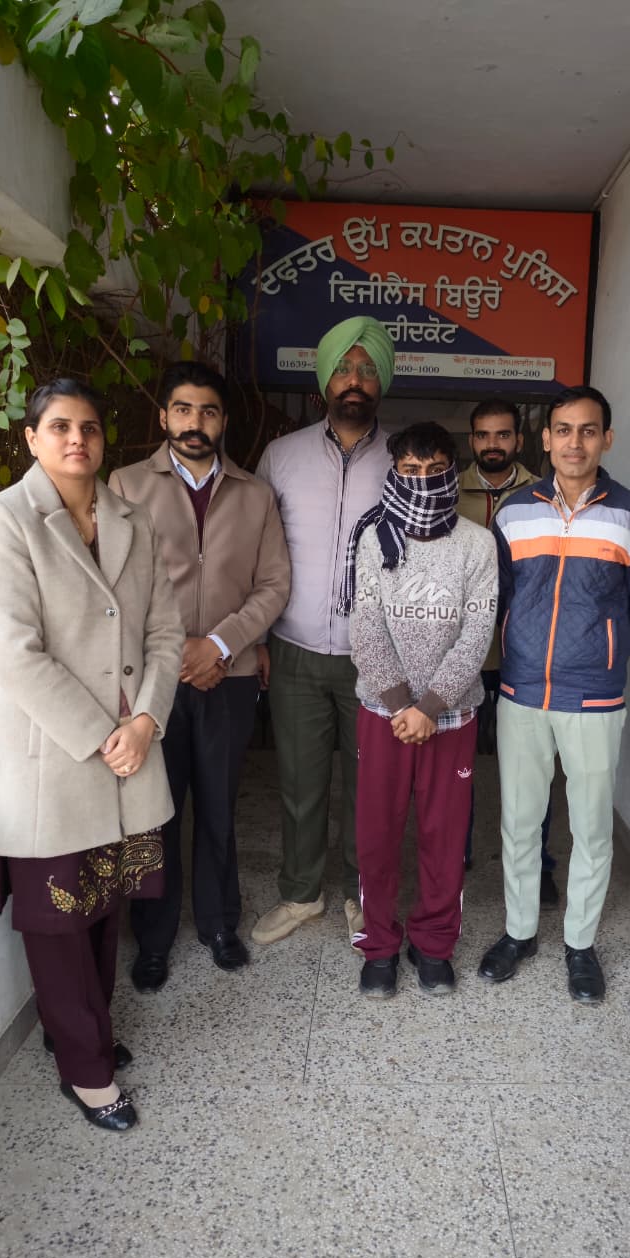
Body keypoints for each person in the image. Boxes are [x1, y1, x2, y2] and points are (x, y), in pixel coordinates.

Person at [0, 379, 184, 1131]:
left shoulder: (132, 518)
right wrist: (104, 734)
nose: (76, 439)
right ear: (32, 439)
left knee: (103, 904)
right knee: (58, 918)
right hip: (52, 756)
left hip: (129, 748)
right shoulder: (5, 519)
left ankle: (83, 1031)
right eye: (59, 426)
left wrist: (148, 719)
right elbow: (14, 655)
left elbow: (164, 632)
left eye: (88, 427)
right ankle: (87, 1072)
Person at [478, 385, 630, 1001]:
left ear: (606, 438)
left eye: (588, 430)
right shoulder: (513, 514)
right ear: (546, 438)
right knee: (519, 821)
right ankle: (519, 932)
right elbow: (500, 598)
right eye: (563, 430)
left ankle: (580, 945)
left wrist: (601, 652)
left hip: (594, 697)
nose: (574, 442)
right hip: (522, 691)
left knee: (591, 827)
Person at [109, 361, 290, 990]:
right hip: (155, 682)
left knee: (218, 806)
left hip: (229, 676)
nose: (195, 422)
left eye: (208, 411)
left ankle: (219, 924)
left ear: (223, 420)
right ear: (164, 416)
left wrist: (217, 646)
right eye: (183, 409)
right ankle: (153, 939)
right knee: (156, 812)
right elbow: (117, 585)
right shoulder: (127, 485)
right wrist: (178, 655)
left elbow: (274, 585)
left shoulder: (255, 494)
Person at [252, 317, 395, 949]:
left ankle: (363, 896)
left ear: (381, 382)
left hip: (378, 656)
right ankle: (301, 894)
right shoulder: (281, 456)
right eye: (344, 368)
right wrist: (257, 637)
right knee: (300, 782)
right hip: (295, 649)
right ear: (324, 380)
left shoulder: (404, 460)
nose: (354, 380)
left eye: (367, 369)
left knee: (370, 788)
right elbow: (256, 553)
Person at [345, 422, 497, 996]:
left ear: (453, 471)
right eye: (410, 470)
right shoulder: (374, 538)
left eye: (435, 470)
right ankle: (379, 945)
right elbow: (365, 627)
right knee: (377, 836)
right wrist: (400, 705)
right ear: (395, 472)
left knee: (444, 837)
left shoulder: (478, 544)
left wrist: (430, 707)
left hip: (452, 717)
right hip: (383, 715)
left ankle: (433, 944)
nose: (423, 481)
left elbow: (478, 633)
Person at [456, 397, 558, 904]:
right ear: (471, 440)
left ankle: (537, 864)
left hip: (526, 653)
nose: (492, 444)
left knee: (531, 769)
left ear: (519, 440)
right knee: (457, 765)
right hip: (463, 653)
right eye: (482, 435)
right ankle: (454, 854)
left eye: (502, 435)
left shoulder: (546, 495)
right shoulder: (448, 490)